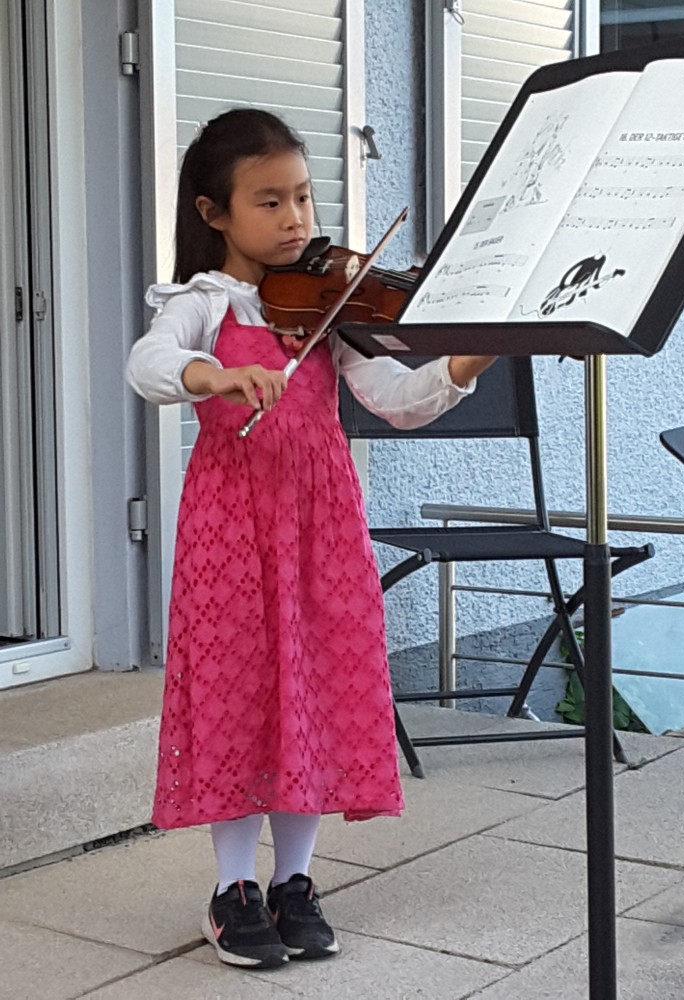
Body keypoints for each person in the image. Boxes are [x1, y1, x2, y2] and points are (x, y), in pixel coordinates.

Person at [125, 107, 494, 972]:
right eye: (269, 202)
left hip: (321, 524)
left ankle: (295, 880)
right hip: (232, 529)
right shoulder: (202, 302)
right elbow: (147, 365)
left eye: (302, 196)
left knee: (311, 692)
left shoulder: (328, 307)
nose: (296, 220)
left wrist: (470, 361)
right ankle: (232, 889)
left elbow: (398, 401)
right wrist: (214, 372)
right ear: (214, 213)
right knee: (238, 693)